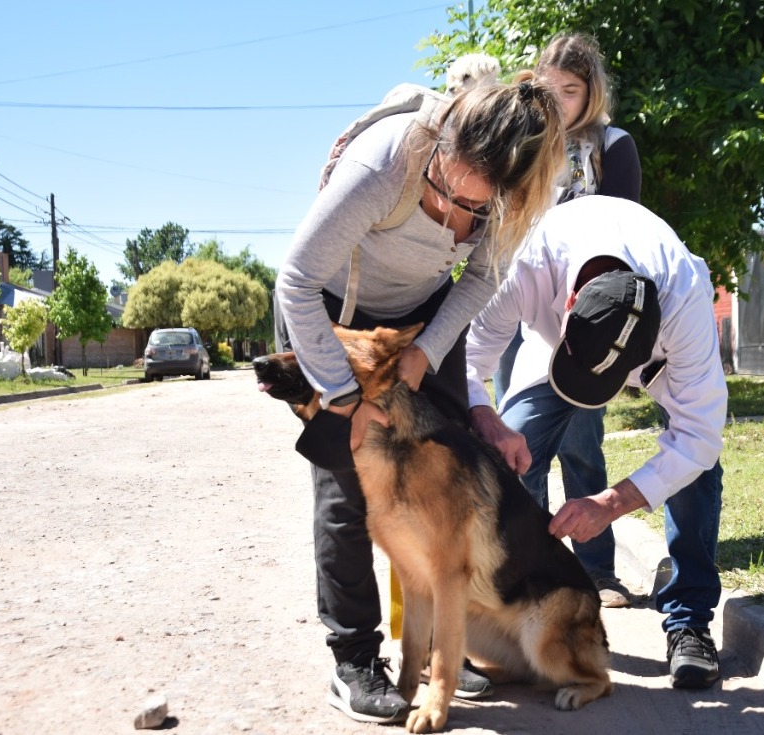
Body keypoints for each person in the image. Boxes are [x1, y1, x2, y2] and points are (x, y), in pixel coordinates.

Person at [274, 80, 564, 724]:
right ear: (439, 147)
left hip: (420, 316)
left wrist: (428, 350)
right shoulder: (383, 163)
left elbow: (482, 277)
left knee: (446, 481)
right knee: (350, 485)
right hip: (329, 310)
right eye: (443, 192)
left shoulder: (511, 196)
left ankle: (440, 650)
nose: (452, 215)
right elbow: (295, 281)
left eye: (472, 208)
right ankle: (354, 658)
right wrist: (343, 397)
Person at [466, 195, 728, 690]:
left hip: (658, 365)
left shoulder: (685, 296)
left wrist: (610, 503)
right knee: (504, 460)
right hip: (552, 355)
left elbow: (700, 434)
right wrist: (490, 421)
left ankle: (689, 620)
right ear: (569, 303)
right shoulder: (527, 265)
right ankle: (520, 609)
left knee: (697, 469)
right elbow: (466, 358)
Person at [493, 33, 642, 608]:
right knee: (517, 445)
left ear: (592, 92)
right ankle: (533, 573)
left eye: (571, 90)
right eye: (548, 89)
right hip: (519, 303)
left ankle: (597, 573)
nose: (558, 101)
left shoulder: (614, 145)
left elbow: (624, 228)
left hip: (582, 317)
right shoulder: (524, 140)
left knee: (581, 445)